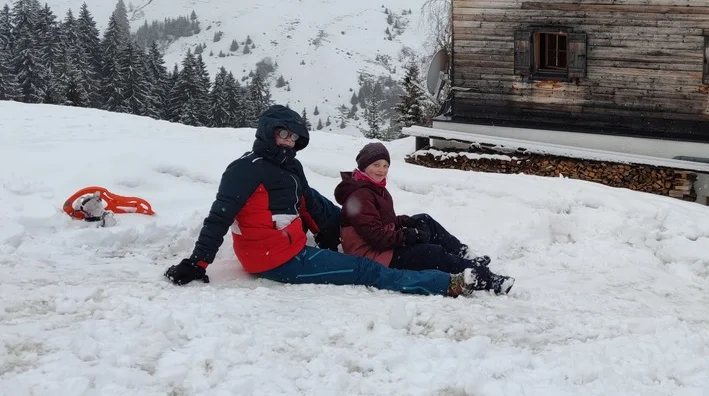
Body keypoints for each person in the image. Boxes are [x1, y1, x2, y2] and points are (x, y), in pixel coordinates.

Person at [164, 105, 474, 297]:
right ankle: (444, 284)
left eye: (294, 137)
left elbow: (308, 203)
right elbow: (218, 217)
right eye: (283, 133)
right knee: (366, 269)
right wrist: (197, 263)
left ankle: (443, 263)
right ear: (267, 132)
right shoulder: (245, 170)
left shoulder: (289, 167)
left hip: (291, 244)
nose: (289, 141)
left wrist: (338, 231)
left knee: (345, 226)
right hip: (274, 258)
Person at [334, 141, 514, 295]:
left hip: (380, 245)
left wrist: (406, 222)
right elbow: (376, 237)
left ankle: (466, 256)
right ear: (364, 166)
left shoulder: (372, 187)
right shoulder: (360, 195)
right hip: (371, 255)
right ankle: (487, 279)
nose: (382, 170)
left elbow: (382, 221)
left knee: (424, 219)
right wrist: (408, 236)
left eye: (385, 165)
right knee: (431, 253)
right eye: (376, 165)